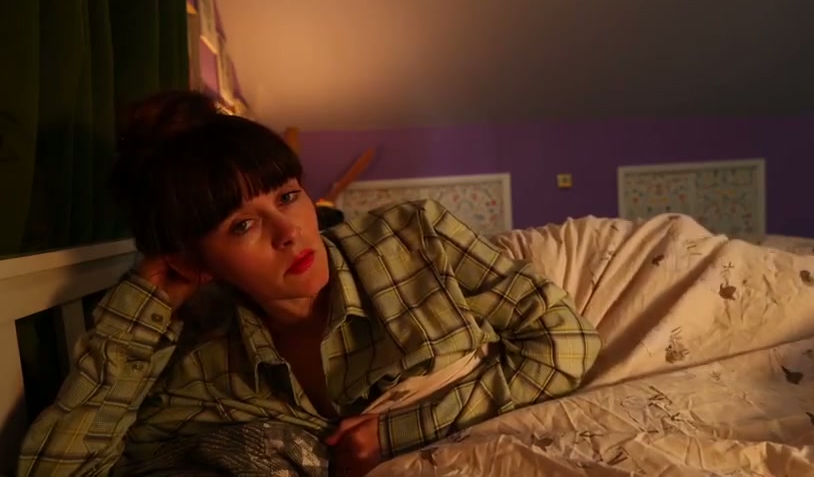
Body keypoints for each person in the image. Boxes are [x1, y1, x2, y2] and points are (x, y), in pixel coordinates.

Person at [16, 91, 601, 477]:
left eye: (288, 196)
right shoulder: (205, 363)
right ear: (195, 263)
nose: (291, 232)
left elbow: (565, 340)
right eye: (242, 225)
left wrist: (395, 433)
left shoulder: (412, 239)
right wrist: (140, 305)